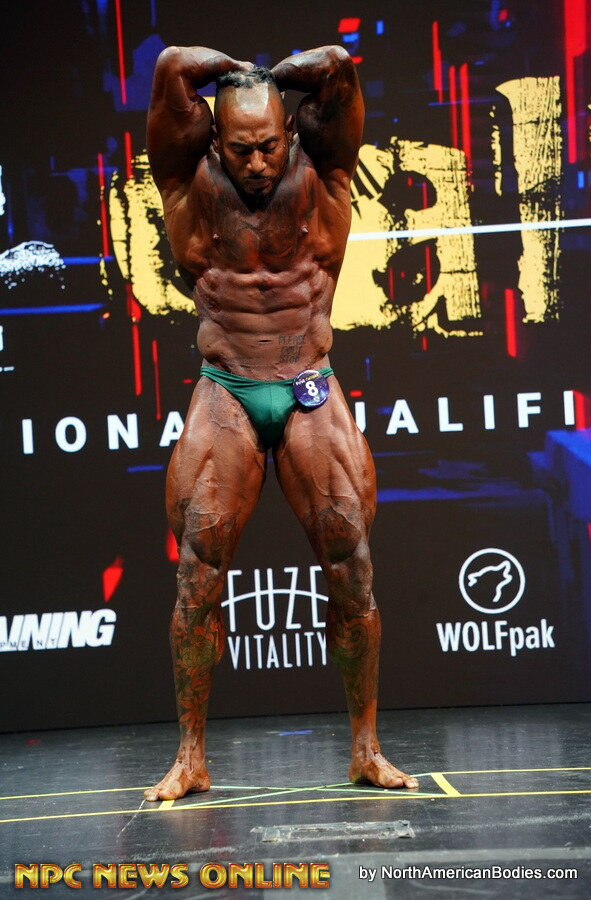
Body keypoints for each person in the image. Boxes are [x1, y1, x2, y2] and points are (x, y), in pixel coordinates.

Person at [144, 44, 419, 801]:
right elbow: (171, 67)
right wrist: (242, 72)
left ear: (289, 132)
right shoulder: (186, 175)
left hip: (308, 382)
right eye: (241, 149)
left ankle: (366, 749)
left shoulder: (324, 166)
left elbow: (339, 69)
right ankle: (190, 758)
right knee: (198, 575)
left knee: (352, 567)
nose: (258, 162)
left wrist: (269, 78)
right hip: (227, 386)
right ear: (214, 139)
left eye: (268, 144)